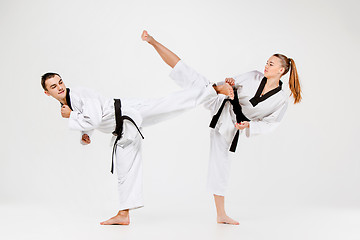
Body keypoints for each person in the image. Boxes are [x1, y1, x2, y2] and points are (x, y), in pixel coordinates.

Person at [41, 53, 234, 225]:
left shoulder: (78, 94)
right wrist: (85, 134)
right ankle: (123, 214)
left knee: (168, 105)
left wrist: (71, 117)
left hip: (129, 112)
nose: (59, 87)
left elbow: (95, 117)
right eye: (53, 86)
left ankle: (214, 90)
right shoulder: (68, 103)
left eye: (60, 82)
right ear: (46, 92)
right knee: (125, 169)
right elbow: (91, 119)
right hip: (123, 130)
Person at [141, 30, 302, 225]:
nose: (266, 66)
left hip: (232, 125)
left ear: (281, 71)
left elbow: (271, 124)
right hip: (220, 101)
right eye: (267, 62)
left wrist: (249, 125)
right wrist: (228, 84)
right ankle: (153, 42)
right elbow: (228, 84)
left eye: (271, 64)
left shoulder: (280, 100)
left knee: (221, 164)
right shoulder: (253, 76)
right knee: (189, 75)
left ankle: (221, 214)